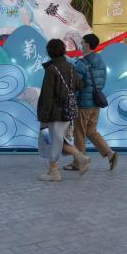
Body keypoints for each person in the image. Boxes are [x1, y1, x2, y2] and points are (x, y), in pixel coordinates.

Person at [36, 38, 90, 181]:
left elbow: (47, 95)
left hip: (52, 114)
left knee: (49, 141)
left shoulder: (51, 69)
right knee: (60, 141)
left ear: (50, 51)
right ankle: (80, 158)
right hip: (67, 112)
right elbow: (79, 85)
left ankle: (54, 172)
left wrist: (43, 115)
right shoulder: (71, 67)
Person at [65, 33, 118, 172]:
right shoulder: (100, 61)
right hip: (95, 103)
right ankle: (110, 154)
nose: (81, 45)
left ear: (87, 45)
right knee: (91, 131)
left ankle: (79, 163)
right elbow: (102, 82)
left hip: (83, 104)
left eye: (82, 43)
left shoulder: (81, 63)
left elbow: (75, 85)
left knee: (79, 134)